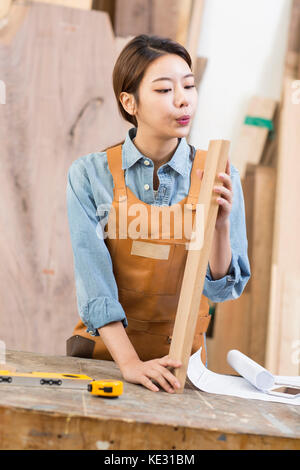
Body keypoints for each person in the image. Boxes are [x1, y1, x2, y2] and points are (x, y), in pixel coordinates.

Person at [66, 34, 251, 394]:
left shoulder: (219, 173)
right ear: (129, 101)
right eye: (165, 90)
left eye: (189, 86)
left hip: (181, 369)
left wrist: (221, 227)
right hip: (104, 360)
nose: (183, 100)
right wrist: (131, 364)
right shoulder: (90, 174)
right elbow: (95, 284)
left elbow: (223, 290)